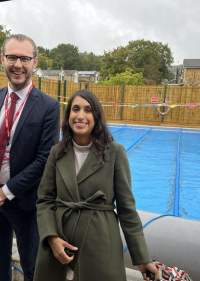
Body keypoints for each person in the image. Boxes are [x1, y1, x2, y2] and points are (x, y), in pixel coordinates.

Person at [34, 90, 160, 281]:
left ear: (96, 117)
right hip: (59, 243)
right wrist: (51, 238)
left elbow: (127, 209)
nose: (81, 116)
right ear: (68, 116)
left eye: (88, 110)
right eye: (75, 109)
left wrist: (142, 258)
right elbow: (44, 201)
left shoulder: (115, 153)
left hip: (100, 246)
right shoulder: (56, 152)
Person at [0, 34, 60, 281]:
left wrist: (7, 191)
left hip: (26, 202)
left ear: (35, 62)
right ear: (3, 59)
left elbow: (45, 159)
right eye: (12, 57)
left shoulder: (48, 107)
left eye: (24, 58)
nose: (18, 65)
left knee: (32, 266)